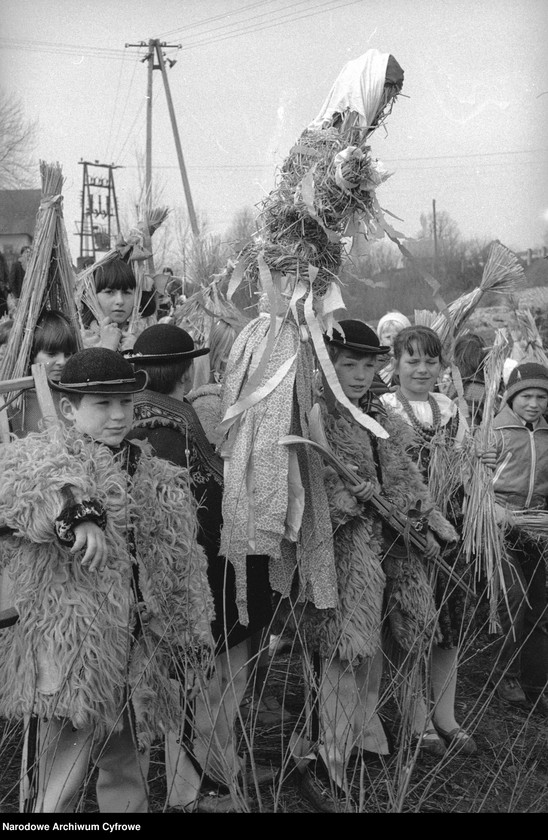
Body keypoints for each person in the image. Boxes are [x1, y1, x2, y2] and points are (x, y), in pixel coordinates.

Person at [0, 347, 214, 812]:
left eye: (125, 403)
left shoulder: (154, 470)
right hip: (74, 647)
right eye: (102, 404)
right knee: (61, 772)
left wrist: (186, 629)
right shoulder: (47, 460)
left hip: (137, 646)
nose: (118, 416)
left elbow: (179, 560)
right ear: (69, 409)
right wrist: (76, 514)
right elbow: (30, 492)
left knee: (128, 762)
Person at [294, 319, 458, 812]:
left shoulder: (376, 416)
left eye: (368, 365)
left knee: (374, 653)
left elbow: (404, 475)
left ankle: (364, 738)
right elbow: (308, 489)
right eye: (349, 365)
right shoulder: (316, 416)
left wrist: (428, 525)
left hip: (391, 550)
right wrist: (350, 496)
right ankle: (331, 757)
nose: (362, 375)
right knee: (344, 653)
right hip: (346, 555)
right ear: (328, 365)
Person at [127, 324, 273, 812]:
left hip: (165, 586)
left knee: (186, 692)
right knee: (210, 695)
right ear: (190, 370)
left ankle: (197, 785)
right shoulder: (193, 422)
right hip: (214, 580)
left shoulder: (133, 426)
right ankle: (200, 790)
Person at [381, 325, 477, 756]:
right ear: (396, 362)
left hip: (452, 531)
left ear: (442, 366)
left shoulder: (451, 409)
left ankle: (446, 716)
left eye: (430, 361)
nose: (422, 369)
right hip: (407, 534)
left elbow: (470, 469)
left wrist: (479, 461)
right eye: (412, 360)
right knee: (413, 625)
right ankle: (415, 719)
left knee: (448, 628)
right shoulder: (383, 409)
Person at [488, 362, 548, 717]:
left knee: (540, 603)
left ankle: (537, 681)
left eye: (542, 396)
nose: (534, 403)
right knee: (514, 599)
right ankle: (504, 675)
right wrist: (494, 512)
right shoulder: (494, 432)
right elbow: (476, 482)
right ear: (512, 397)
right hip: (498, 523)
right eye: (527, 395)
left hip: (537, 526)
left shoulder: (546, 434)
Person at [9, 309, 79, 437]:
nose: (62, 362)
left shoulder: (77, 393)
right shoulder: (14, 400)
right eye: (52, 354)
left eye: (68, 354)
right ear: (31, 355)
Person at [80, 255, 156, 353]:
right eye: (109, 292)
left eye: (126, 292)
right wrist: (107, 348)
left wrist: (137, 353)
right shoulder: (79, 341)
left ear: (137, 297)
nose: (120, 301)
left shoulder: (144, 339)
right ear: (93, 296)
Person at [375, 310, 411, 387]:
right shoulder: (375, 362)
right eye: (388, 337)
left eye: (397, 337)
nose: (392, 341)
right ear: (381, 339)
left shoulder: (413, 360)